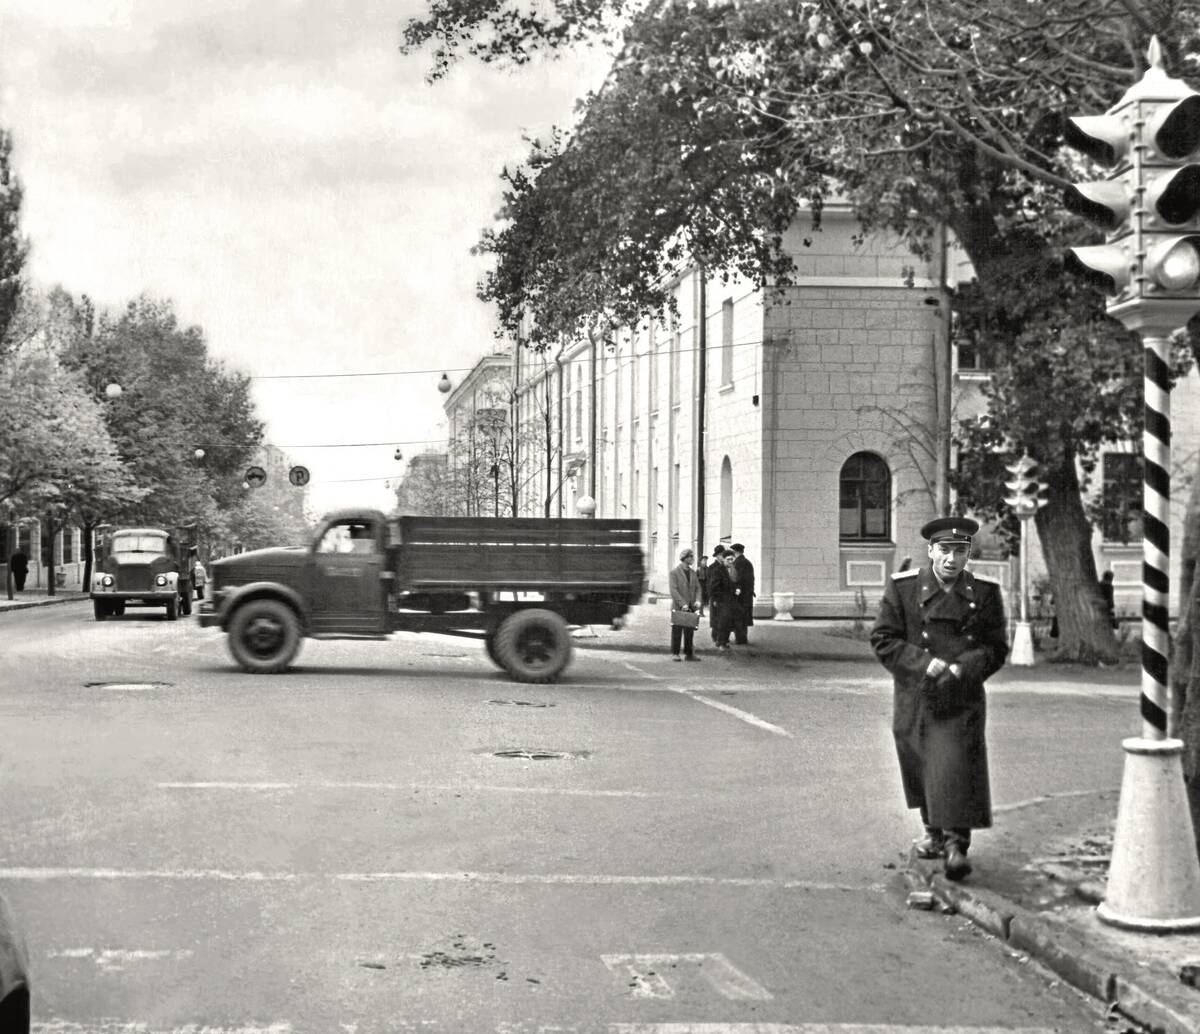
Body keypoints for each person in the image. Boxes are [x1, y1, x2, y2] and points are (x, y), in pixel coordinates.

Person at [869, 517, 1008, 882]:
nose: (951, 559)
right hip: (917, 694)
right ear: (931, 551)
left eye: (960, 551)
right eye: (945, 550)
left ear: (968, 555)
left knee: (956, 765)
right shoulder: (903, 590)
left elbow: (995, 648)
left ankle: (955, 845)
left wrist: (965, 667)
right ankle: (933, 833)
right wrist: (925, 663)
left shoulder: (985, 594)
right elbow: (884, 639)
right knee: (921, 763)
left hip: (961, 695)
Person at [668, 548, 702, 662]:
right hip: (679, 607)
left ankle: (689, 654)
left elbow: (698, 588)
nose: (693, 559)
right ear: (685, 558)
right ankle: (675, 653)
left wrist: (698, 600)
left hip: (691, 606)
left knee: (689, 631)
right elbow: (673, 590)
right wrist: (682, 603)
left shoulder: (693, 573)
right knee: (677, 631)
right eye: (691, 557)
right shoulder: (674, 573)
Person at [708, 545, 734, 651]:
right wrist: (715, 599)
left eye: (732, 559)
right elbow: (713, 586)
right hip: (721, 600)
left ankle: (723, 642)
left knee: (726, 622)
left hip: (728, 601)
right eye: (729, 559)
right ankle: (720, 642)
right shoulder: (717, 570)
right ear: (723, 559)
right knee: (721, 622)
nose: (731, 561)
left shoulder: (729, 570)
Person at [729, 543, 755, 645]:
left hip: (739, 596)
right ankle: (742, 638)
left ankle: (740, 639)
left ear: (735, 552)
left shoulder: (737, 564)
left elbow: (737, 580)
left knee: (738, 618)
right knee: (743, 618)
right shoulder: (747, 562)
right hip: (747, 595)